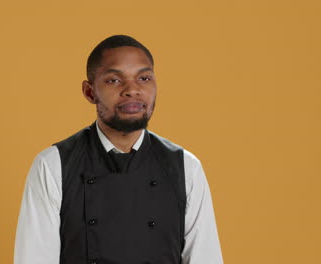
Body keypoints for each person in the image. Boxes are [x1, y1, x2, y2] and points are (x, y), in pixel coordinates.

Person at [14, 35, 223, 264]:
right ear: (89, 92)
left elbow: (205, 258)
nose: (132, 90)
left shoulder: (185, 167)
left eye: (144, 78)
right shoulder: (53, 165)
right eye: (114, 80)